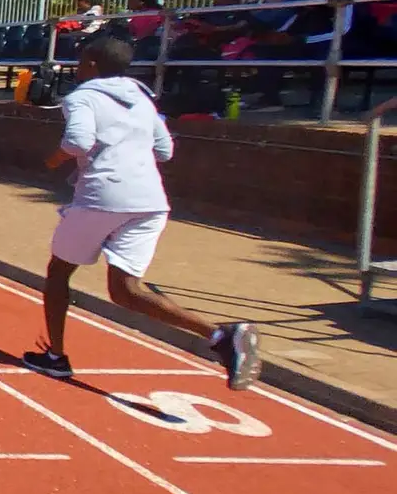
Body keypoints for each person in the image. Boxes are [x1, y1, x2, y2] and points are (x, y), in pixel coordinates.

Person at [23, 35, 259, 388]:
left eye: (81, 61)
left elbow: (77, 142)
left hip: (101, 197)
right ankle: (220, 336)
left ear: (90, 64)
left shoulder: (82, 97)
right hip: (150, 201)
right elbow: (164, 150)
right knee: (126, 290)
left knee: (59, 273)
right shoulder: (143, 99)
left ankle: (55, 357)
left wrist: (54, 160)